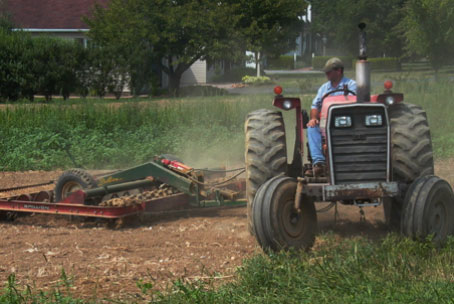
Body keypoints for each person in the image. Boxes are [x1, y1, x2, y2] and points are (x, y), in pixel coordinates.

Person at [306, 57, 357, 177]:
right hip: (325, 122)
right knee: (312, 128)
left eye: (329, 72)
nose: (326, 74)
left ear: (339, 71)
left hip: (347, 122)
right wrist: (313, 118)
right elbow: (315, 106)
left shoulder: (351, 85)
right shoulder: (324, 88)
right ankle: (319, 163)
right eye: (326, 72)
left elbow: (354, 104)